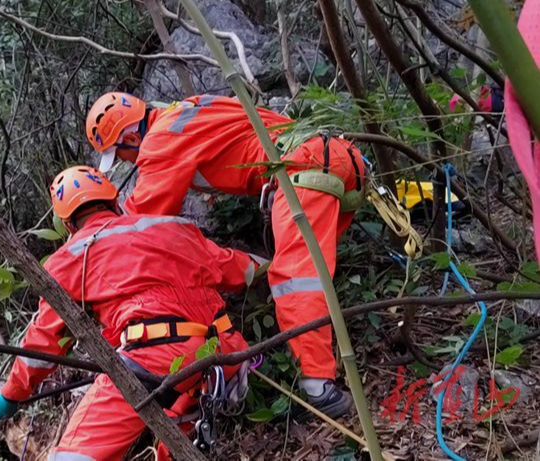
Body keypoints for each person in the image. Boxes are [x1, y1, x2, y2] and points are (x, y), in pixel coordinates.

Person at [85, 92, 368, 418]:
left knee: (296, 280)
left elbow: (141, 227)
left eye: (121, 155)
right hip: (341, 158)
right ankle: (330, 364)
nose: (128, 162)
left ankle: (320, 389)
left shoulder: (161, 139)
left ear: (132, 137)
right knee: (314, 277)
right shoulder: (191, 107)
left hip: (303, 167)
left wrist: (94, 249)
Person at [0, 166, 262, 461]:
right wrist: (279, 265)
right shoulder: (172, 227)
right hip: (223, 352)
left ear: (68, 224)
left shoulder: (71, 258)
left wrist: (10, 396)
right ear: (115, 202)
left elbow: (44, 343)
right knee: (175, 432)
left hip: (155, 357)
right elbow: (240, 268)